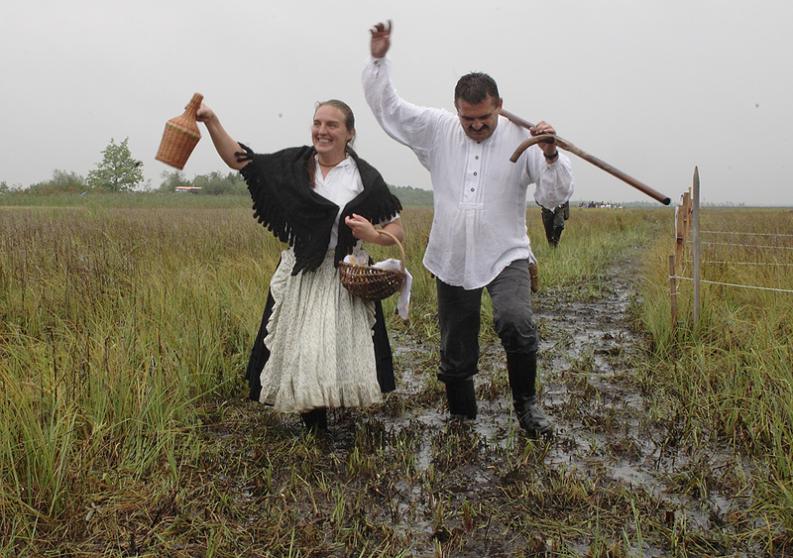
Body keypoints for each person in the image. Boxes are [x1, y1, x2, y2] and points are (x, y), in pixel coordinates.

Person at [363, 21, 574, 437]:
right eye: (468, 118)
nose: (475, 126)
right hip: (453, 253)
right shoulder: (439, 129)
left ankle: (527, 407)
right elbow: (390, 109)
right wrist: (378, 60)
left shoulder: (524, 136)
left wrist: (550, 153)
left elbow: (553, 196)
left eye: (484, 118)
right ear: (456, 109)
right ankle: (461, 418)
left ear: (500, 105)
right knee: (456, 344)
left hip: (505, 251)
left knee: (515, 320)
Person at [197, 98, 404, 433]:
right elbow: (240, 160)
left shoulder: (364, 178)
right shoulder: (292, 166)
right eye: (317, 123)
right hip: (303, 273)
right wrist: (212, 122)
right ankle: (316, 428)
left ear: (349, 133)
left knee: (336, 353)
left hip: (345, 274)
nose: (322, 131)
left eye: (332, 125)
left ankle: (333, 416)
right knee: (306, 352)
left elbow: (396, 231)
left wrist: (373, 234)